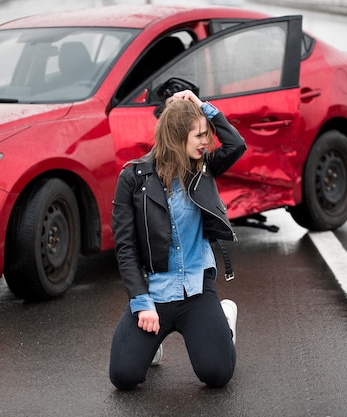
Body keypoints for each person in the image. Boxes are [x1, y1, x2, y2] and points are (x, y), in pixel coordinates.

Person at [109, 89, 246, 390]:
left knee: (217, 374)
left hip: (196, 289)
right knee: (124, 377)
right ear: (176, 137)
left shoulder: (202, 169)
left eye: (206, 135)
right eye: (198, 136)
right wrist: (141, 303)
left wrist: (202, 106)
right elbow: (126, 248)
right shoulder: (132, 179)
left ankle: (223, 320)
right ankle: (151, 345)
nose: (206, 142)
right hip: (153, 292)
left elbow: (236, 144)